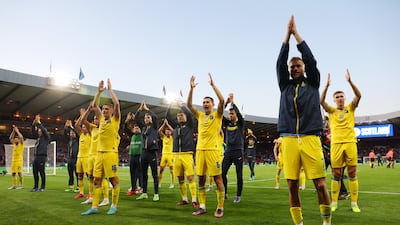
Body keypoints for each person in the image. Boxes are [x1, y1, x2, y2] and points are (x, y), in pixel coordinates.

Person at [276, 16, 331, 225]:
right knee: (291, 185)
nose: (294, 69)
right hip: (288, 140)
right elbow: (280, 62)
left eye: (298, 65)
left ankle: (326, 222)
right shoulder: (285, 86)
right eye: (292, 67)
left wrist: (296, 34)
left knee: (319, 184)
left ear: (304, 67)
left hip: (310, 139)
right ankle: (299, 223)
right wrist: (286, 38)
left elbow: (311, 59)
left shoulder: (314, 84)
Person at [320, 69, 362, 213]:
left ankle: (354, 203)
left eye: (341, 96)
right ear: (334, 100)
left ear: (344, 98)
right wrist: (326, 86)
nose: (339, 98)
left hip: (350, 142)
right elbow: (321, 101)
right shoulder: (331, 111)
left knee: (352, 172)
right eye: (337, 96)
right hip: (336, 144)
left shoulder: (350, 108)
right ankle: (334, 202)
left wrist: (350, 82)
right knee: (336, 174)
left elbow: (358, 95)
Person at [187, 73, 225, 218]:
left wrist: (213, 85)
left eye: (208, 102)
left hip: (213, 151)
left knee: (217, 179)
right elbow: (189, 105)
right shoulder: (200, 115)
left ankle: (220, 207)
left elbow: (222, 100)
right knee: (201, 179)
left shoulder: (217, 115)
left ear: (213, 105)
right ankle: (202, 206)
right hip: (200, 151)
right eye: (203, 102)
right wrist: (191, 89)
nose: (205, 104)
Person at [81, 79, 121, 215]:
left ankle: (114, 206)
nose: (103, 111)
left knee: (113, 180)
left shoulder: (115, 120)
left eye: (106, 109)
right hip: (99, 154)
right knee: (96, 180)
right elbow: (94, 105)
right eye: (103, 109)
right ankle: (94, 207)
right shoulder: (102, 120)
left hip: (110, 154)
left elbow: (117, 103)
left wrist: (110, 90)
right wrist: (98, 92)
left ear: (111, 111)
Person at [165, 102, 199, 208]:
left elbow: (189, 114)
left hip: (187, 154)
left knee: (190, 177)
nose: (180, 117)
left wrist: (181, 106)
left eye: (182, 115)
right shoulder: (175, 127)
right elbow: (167, 117)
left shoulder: (189, 125)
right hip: (176, 155)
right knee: (180, 178)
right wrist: (170, 105)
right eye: (178, 115)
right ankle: (184, 199)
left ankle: (194, 199)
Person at [80, 105, 110, 206]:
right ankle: (91, 197)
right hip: (90, 156)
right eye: (94, 119)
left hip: (99, 155)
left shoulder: (104, 127)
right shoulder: (92, 128)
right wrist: (88, 110)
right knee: (90, 177)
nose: (95, 120)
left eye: (97, 118)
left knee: (101, 178)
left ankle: (106, 198)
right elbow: (83, 121)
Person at [135, 101, 160, 201]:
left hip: (152, 153)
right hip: (144, 153)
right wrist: (139, 110)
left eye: (148, 117)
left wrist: (147, 109)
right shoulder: (143, 128)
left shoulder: (154, 127)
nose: (146, 119)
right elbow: (136, 119)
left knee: (154, 174)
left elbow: (156, 117)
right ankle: (144, 192)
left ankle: (156, 194)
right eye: (145, 118)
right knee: (143, 174)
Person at [221, 93, 244, 203]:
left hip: (238, 152)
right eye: (229, 114)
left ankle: (238, 195)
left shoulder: (240, 124)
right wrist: (226, 103)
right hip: (228, 152)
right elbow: (219, 114)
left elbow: (239, 113)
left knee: (239, 175)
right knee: (222, 173)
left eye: (232, 113)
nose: (230, 115)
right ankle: (225, 192)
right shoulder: (227, 123)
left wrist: (233, 102)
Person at [30, 114, 51, 192]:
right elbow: (32, 132)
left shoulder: (46, 138)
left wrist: (39, 123)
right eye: (38, 130)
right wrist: (33, 124)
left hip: (42, 157)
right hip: (36, 157)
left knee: (41, 172)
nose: (38, 131)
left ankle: (42, 187)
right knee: (35, 172)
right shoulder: (38, 139)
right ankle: (35, 187)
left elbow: (44, 131)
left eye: (39, 130)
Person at [74, 108, 91, 199]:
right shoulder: (81, 135)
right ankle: (81, 192)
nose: (83, 128)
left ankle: (90, 193)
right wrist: (81, 116)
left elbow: (86, 124)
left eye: (84, 127)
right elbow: (76, 125)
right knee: (79, 175)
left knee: (89, 176)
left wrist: (85, 116)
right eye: (82, 127)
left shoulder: (90, 135)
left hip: (87, 158)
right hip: (79, 157)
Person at [124, 112, 143, 196]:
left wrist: (135, 119)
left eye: (137, 128)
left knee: (140, 173)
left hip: (140, 155)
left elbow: (141, 124)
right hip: (132, 156)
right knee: (132, 173)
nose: (136, 129)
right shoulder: (132, 135)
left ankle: (141, 187)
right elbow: (125, 129)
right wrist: (127, 120)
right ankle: (133, 188)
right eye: (135, 128)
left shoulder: (142, 135)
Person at [158, 119, 175, 189]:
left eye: (169, 131)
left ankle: (172, 183)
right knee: (161, 169)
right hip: (164, 155)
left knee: (171, 169)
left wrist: (167, 124)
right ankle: (159, 183)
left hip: (170, 155)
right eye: (166, 131)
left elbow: (173, 131)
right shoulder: (164, 137)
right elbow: (159, 131)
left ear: (170, 132)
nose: (167, 132)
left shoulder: (172, 138)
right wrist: (164, 124)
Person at [64, 120, 79, 192]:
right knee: (70, 174)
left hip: (76, 159)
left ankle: (79, 187)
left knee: (77, 174)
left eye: (73, 133)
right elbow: (64, 134)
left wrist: (72, 127)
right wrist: (66, 127)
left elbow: (77, 133)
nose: (71, 134)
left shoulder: (78, 140)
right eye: (70, 133)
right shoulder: (69, 141)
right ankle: (71, 187)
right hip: (69, 159)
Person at [8, 125, 24, 190]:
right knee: (13, 173)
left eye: (17, 138)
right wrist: (13, 131)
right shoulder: (14, 144)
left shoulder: (21, 144)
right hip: (13, 161)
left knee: (19, 173)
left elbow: (21, 137)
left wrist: (17, 131)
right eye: (15, 138)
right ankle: (14, 185)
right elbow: (10, 138)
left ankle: (21, 185)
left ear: (19, 140)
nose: (15, 139)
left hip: (19, 161)